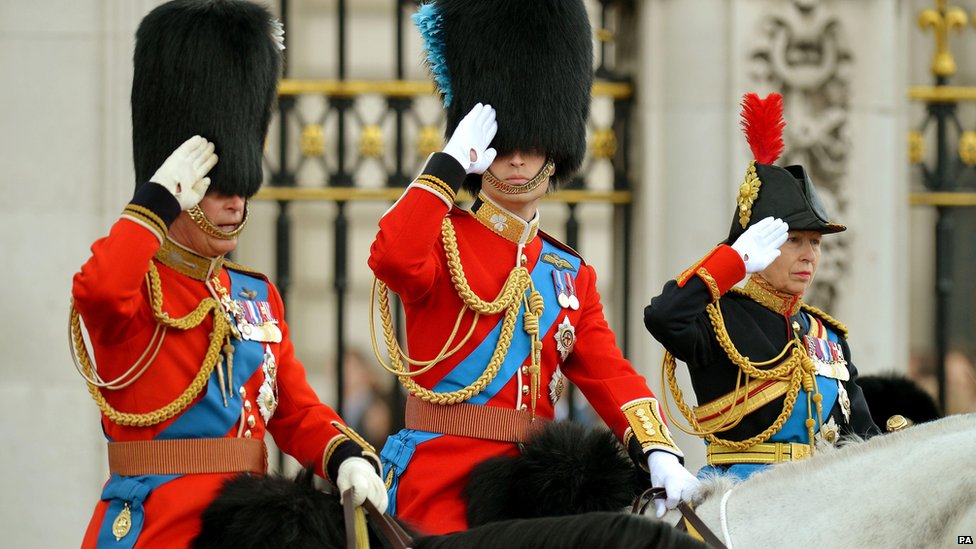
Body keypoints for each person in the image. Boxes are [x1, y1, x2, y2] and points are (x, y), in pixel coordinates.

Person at [367, 0, 698, 535]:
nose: (517, 159)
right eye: (503, 146)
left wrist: (658, 448)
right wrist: (447, 166)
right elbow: (392, 258)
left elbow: (610, 373)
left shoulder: (568, 273)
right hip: (443, 487)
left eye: (531, 144)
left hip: (533, 492)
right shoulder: (442, 233)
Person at [69, 2, 385, 546]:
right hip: (159, 528)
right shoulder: (137, 283)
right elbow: (97, 290)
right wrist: (153, 203)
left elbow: (294, 409)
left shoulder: (254, 295)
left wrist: (345, 454)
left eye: (242, 188)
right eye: (219, 188)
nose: (235, 204)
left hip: (249, 528)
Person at [644, 92, 881, 481]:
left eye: (816, 243)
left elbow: (862, 437)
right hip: (737, 500)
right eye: (794, 240)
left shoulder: (826, 335)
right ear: (760, 244)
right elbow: (662, 316)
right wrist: (731, 260)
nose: (809, 255)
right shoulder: (716, 317)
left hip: (822, 499)